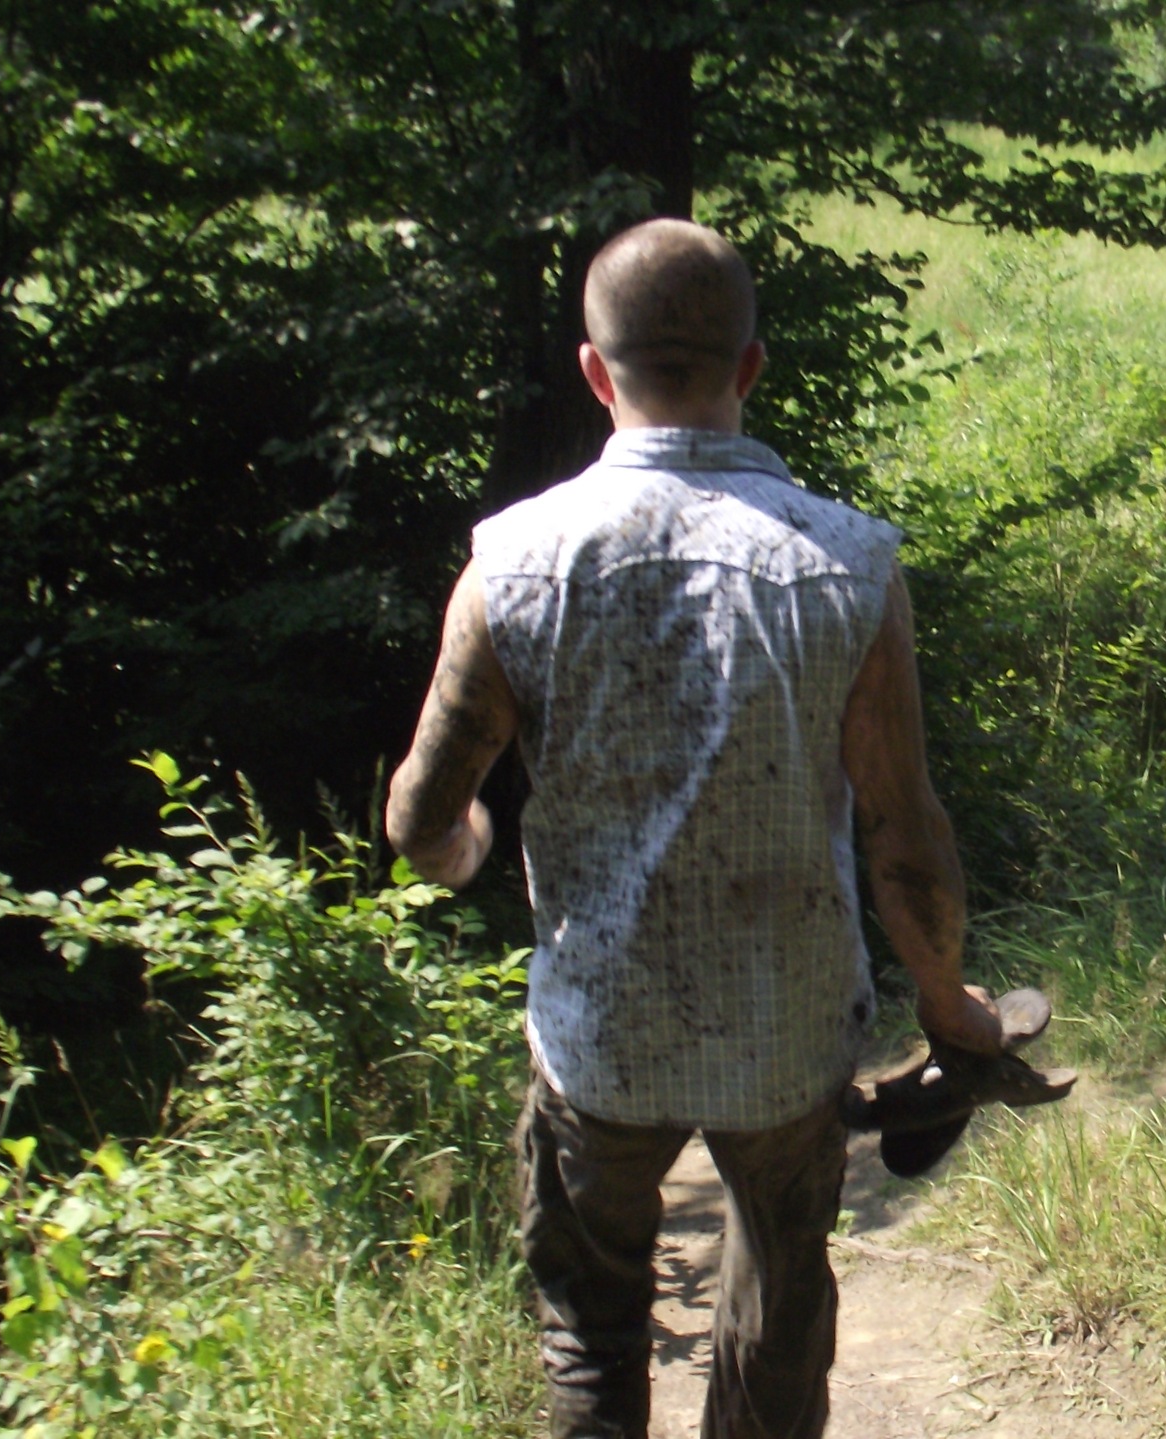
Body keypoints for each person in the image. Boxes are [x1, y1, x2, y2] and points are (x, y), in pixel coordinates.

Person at [385, 217, 1003, 1439]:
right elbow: (902, 836)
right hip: (788, 1034)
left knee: (589, 1330)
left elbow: (419, 815)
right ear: (751, 366)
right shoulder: (848, 566)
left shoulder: (513, 565)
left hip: (598, 1037)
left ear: (592, 371)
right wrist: (951, 1009)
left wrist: (461, 853)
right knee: (778, 1311)